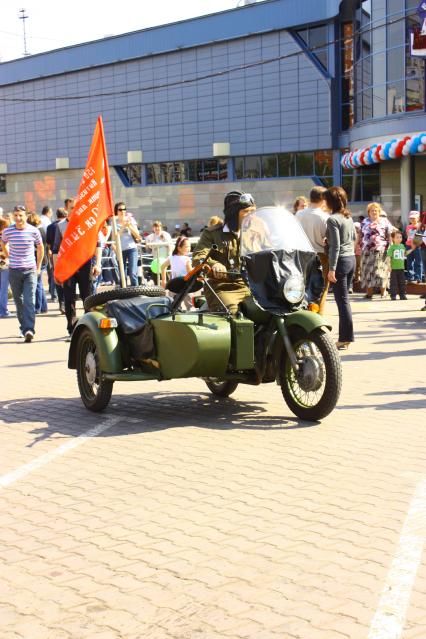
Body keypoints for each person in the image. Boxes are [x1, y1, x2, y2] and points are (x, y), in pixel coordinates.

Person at [192, 191, 254, 315]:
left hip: (251, 286)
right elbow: (198, 257)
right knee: (233, 315)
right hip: (221, 287)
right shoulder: (212, 233)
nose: (251, 215)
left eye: (253, 211)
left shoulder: (254, 232)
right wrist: (214, 264)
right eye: (246, 212)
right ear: (233, 214)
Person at [53, 217, 102, 339]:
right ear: (67, 209)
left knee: (88, 298)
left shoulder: (88, 221)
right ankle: (72, 330)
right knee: (69, 298)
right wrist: (56, 270)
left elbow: (97, 243)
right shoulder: (60, 226)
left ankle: (88, 328)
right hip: (68, 265)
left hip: (85, 263)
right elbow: (55, 250)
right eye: (71, 208)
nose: (75, 210)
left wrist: (98, 263)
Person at [0, 207, 44, 342]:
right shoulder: (8, 231)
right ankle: (23, 327)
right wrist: (8, 255)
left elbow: (40, 247)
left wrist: (38, 267)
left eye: (21, 215)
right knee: (19, 302)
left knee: (29, 300)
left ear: (26, 216)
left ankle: (29, 329)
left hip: (30, 270)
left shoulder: (34, 231)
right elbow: (3, 243)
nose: (18, 218)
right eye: (16, 215)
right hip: (14, 271)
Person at [324, 186, 356, 350]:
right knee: (345, 301)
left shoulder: (333, 219)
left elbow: (335, 246)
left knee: (342, 302)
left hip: (340, 262)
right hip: (351, 259)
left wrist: (331, 268)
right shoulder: (348, 217)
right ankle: (346, 337)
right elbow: (354, 238)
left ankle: (345, 338)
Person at [295, 186, 329, 305]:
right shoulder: (324, 217)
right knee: (320, 289)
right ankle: (317, 314)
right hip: (320, 254)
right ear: (323, 199)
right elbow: (328, 239)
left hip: (301, 254)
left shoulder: (299, 214)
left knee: (302, 286)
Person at [360, 202, 393, 299]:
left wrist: (391, 246)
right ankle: (369, 293)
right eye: (372, 210)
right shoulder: (364, 221)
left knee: (381, 271)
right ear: (368, 212)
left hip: (381, 249)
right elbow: (360, 235)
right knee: (367, 272)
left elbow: (389, 235)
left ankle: (383, 292)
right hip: (366, 250)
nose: (374, 212)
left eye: (376, 210)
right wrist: (357, 244)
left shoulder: (384, 221)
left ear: (379, 212)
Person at [161, 236, 193, 309]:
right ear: (179, 248)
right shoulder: (186, 259)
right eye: (187, 247)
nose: (189, 248)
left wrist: (164, 280)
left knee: (174, 305)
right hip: (186, 285)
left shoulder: (172, 257)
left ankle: (175, 318)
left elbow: (162, 267)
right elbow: (191, 273)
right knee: (189, 306)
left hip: (174, 285)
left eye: (190, 246)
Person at [114, 202, 141, 286]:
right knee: (123, 275)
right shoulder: (114, 222)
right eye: (120, 209)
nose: (122, 211)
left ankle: (136, 294)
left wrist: (129, 226)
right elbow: (115, 237)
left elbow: (137, 235)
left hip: (132, 248)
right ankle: (124, 294)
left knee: (133, 273)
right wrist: (123, 227)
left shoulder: (131, 219)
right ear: (116, 211)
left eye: (124, 209)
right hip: (121, 250)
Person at [46, 208, 67, 313]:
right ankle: (67, 302)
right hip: (67, 255)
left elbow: (49, 244)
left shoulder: (50, 226)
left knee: (57, 278)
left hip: (56, 254)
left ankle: (61, 303)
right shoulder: (68, 224)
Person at [27, 212, 48, 314]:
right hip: (43, 259)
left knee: (37, 285)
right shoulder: (42, 230)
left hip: (38, 260)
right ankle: (43, 307)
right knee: (39, 284)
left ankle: (38, 307)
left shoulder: (37, 232)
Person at [387, 230, 407, 301]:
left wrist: (412, 249)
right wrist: (389, 266)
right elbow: (389, 257)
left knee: (402, 282)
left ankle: (402, 295)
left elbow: (405, 254)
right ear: (393, 239)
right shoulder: (392, 247)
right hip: (394, 268)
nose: (399, 239)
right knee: (393, 283)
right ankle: (393, 295)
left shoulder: (402, 246)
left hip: (401, 268)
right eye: (397, 237)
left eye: (400, 237)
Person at [405, 211, 422, 283]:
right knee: (409, 262)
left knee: (418, 262)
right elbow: (408, 236)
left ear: (418, 218)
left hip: (417, 246)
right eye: (411, 218)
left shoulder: (420, 225)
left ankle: (418, 277)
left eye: (414, 218)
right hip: (409, 246)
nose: (412, 220)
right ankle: (410, 277)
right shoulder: (408, 227)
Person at [0, 216, 11, 318]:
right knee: (3, 288)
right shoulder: (5, 237)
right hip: (4, 264)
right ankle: (3, 310)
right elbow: (7, 252)